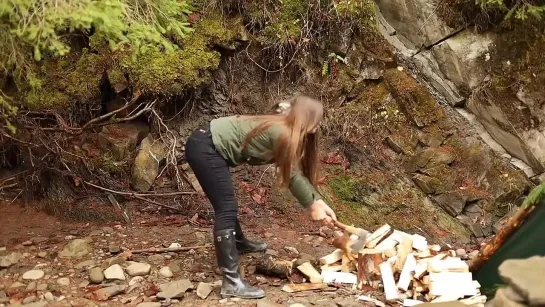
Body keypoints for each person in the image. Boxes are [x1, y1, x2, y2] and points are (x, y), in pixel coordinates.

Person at [184, 95, 338, 299]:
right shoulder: (281, 132)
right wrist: (311, 205)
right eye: (316, 121)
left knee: (226, 205)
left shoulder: (284, 124)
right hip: (205, 147)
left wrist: (317, 201)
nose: (317, 127)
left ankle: (238, 243)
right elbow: (290, 175)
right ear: (305, 119)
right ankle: (231, 282)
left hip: (206, 142)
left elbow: (294, 172)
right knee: (226, 208)